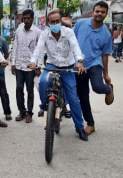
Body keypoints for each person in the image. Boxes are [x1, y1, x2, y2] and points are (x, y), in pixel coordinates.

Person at [28, 8, 88, 141]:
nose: (54, 24)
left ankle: (79, 127)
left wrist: (79, 61)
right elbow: (38, 49)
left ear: (61, 20)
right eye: (52, 22)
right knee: (43, 82)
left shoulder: (69, 32)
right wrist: (33, 61)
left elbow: (76, 47)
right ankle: (45, 108)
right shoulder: (44, 34)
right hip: (51, 66)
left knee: (73, 98)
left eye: (57, 21)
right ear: (48, 23)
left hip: (67, 67)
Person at [74, 1, 114, 135]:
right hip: (79, 64)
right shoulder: (80, 24)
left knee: (97, 86)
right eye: (97, 11)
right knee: (83, 96)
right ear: (93, 11)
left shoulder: (106, 34)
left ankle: (108, 89)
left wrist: (106, 75)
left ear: (106, 14)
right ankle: (90, 124)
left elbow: (104, 56)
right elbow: (71, 41)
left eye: (103, 12)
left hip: (94, 63)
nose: (99, 14)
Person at [11, 9, 41, 123]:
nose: (26, 20)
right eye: (25, 18)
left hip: (30, 66)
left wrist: (38, 66)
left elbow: (40, 50)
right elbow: (15, 47)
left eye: (29, 18)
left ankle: (29, 113)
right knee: (19, 88)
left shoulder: (37, 32)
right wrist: (13, 63)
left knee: (30, 90)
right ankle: (22, 112)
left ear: (33, 19)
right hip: (19, 65)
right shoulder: (19, 30)